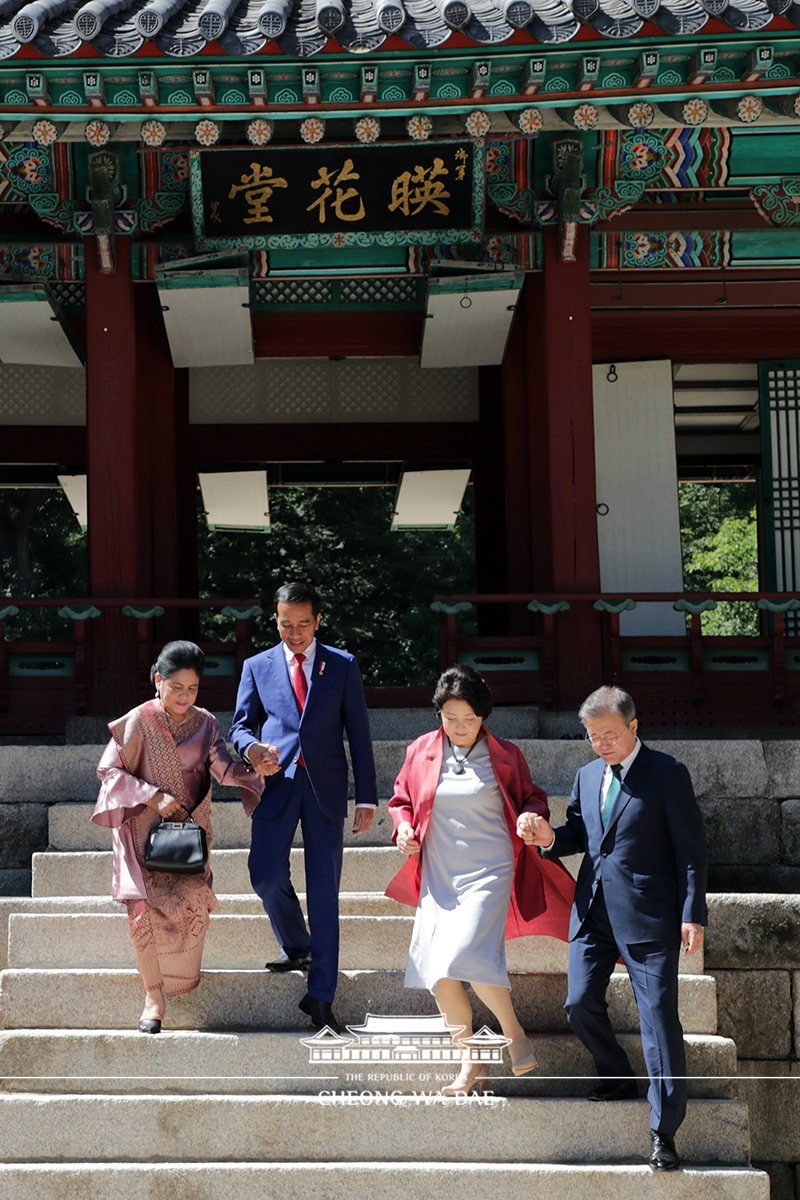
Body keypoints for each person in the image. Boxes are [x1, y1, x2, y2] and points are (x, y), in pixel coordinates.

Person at [523, 685, 707, 1173]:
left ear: (633, 726)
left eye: (609, 735)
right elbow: (580, 835)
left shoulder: (668, 774)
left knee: (659, 1020)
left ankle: (663, 1132)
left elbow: (691, 851)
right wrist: (547, 838)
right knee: (578, 1002)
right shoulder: (586, 776)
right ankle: (617, 1074)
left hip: (649, 914)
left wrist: (693, 913)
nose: (601, 744)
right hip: (592, 911)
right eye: (592, 736)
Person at [386, 664, 575, 1095]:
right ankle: (470, 1061)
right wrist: (403, 828)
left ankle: (512, 1033)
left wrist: (532, 816)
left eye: (468, 720)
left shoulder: (504, 754)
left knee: (465, 953)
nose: (459, 727)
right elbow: (401, 799)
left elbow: (532, 797)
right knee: (441, 973)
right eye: (450, 719)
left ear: (484, 716)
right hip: (439, 870)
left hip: (490, 868)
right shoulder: (421, 750)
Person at [230, 580, 378, 1035]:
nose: (294, 632)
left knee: (324, 894)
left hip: (326, 787)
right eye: (285, 623)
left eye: (303, 624)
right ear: (274, 620)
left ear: (317, 621)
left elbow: (359, 732)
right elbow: (239, 726)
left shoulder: (343, 665)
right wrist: (252, 749)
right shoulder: (257, 666)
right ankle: (297, 944)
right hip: (276, 784)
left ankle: (321, 996)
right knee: (265, 873)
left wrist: (367, 794)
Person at [93, 640, 262, 1034]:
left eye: (193, 688)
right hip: (140, 828)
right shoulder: (137, 720)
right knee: (141, 912)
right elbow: (109, 772)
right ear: (158, 680)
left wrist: (257, 771)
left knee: (190, 904)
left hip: (187, 831)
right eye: (176, 687)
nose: (185, 696)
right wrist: (153, 796)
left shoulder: (205, 724)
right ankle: (153, 996)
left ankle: (179, 977)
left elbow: (222, 768)